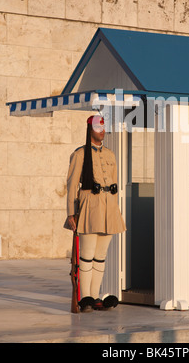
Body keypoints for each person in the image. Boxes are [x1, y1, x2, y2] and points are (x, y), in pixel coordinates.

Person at [65, 114, 126, 312]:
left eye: (104, 128)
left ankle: (95, 296)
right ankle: (84, 297)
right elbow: (72, 185)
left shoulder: (110, 154)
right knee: (87, 255)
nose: (103, 131)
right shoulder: (80, 154)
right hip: (90, 207)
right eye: (99, 128)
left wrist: (115, 211)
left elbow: (115, 184)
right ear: (90, 130)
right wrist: (71, 214)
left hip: (108, 208)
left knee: (100, 256)